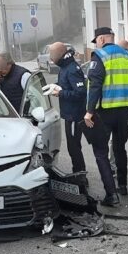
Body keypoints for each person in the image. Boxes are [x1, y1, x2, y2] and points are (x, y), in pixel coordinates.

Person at [84, 27, 128, 206]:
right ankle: (123, 186)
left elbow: (95, 85)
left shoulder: (100, 56)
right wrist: (126, 92)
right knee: (120, 148)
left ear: (102, 39)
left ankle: (111, 195)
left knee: (101, 152)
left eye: (96, 40)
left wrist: (89, 112)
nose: (96, 44)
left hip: (104, 112)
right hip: (124, 112)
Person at [47, 42, 87, 177]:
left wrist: (61, 93)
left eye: (52, 56)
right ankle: (78, 173)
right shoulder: (65, 66)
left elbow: (81, 93)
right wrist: (56, 86)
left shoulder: (71, 68)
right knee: (72, 147)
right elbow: (66, 85)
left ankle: (80, 175)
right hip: (69, 114)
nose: (50, 59)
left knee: (74, 147)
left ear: (59, 54)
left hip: (75, 116)